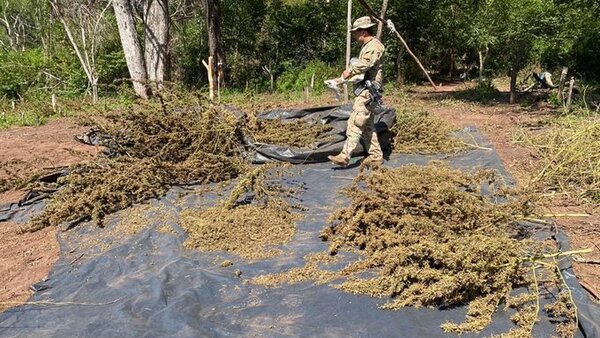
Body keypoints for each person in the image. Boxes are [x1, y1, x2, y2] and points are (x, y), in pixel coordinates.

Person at [328, 16, 385, 167]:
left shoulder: (374, 46)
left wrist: (349, 71)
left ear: (363, 32)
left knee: (356, 122)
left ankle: (345, 156)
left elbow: (366, 64)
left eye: (355, 32)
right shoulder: (367, 46)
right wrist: (340, 80)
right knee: (367, 126)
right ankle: (376, 156)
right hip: (366, 90)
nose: (354, 35)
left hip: (368, 91)